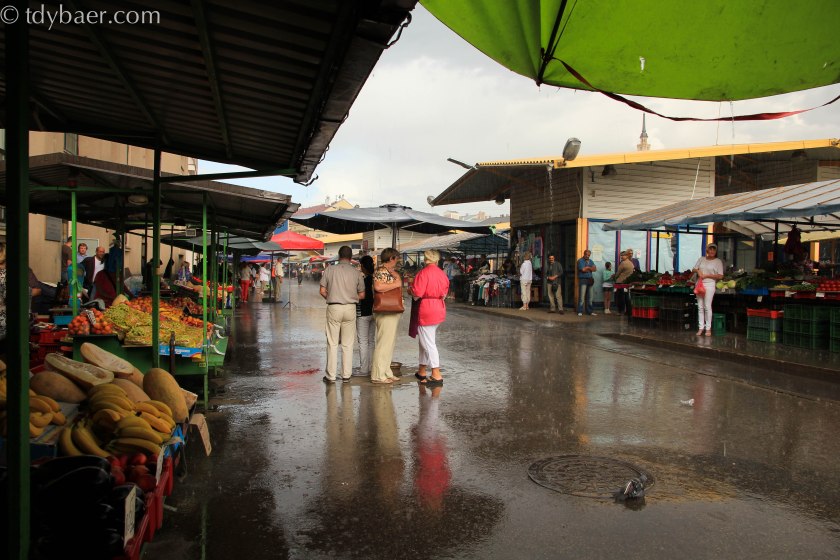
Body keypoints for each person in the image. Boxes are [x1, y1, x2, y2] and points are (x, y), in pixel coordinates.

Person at [320, 246, 365, 383]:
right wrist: (350, 297)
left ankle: (331, 376)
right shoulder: (356, 272)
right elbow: (362, 295)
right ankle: (346, 375)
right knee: (348, 343)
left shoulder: (329, 270)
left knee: (332, 343)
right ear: (351, 257)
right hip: (350, 308)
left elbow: (322, 291)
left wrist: (331, 296)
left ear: (339, 256)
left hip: (334, 307)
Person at [411, 249, 449, 386]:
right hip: (439, 306)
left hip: (426, 308)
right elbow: (445, 293)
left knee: (428, 343)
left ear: (425, 259)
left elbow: (417, 293)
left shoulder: (423, 273)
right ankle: (422, 370)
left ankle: (436, 373)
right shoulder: (442, 274)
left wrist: (410, 290)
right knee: (425, 340)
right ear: (437, 260)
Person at [370, 247, 403, 384]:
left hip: (392, 310)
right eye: (396, 258)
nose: (397, 261)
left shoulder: (390, 271)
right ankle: (378, 375)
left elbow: (399, 283)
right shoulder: (380, 271)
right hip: (385, 310)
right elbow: (378, 287)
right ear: (391, 258)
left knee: (389, 343)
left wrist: (396, 279)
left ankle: (386, 372)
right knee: (384, 343)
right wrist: (396, 283)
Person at [692, 243, 724, 336]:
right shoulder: (701, 259)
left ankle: (708, 328)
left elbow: (720, 276)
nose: (712, 251)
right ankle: (701, 327)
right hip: (699, 284)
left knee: (707, 306)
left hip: (710, 285)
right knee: (700, 307)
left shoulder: (718, 262)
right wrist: (698, 271)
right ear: (707, 250)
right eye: (710, 249)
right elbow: (693, 269)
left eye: (714, 250)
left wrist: (707, 275)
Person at [356, 255, 376, 376]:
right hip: (375, 312)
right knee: (371, 341)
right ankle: (372, 367)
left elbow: (359, 297)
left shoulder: (362, 280)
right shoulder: (376, 279)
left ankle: (364, 369)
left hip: (362, 313)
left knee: (363, 341)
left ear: (363, 266)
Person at [576, 249, 597, 316]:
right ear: (584, 254)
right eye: (586, 255)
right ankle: (580, 311)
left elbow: (595, 269)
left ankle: (590, 311)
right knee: (582, 297)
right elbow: (583, 270)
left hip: (590, 280)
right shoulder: (580, 261)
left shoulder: (591, 261)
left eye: (589, 255)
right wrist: (589, 267)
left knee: (590, 297)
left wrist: (587, 268)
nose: (587, 256)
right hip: (583, 279)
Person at [614, 251, 635, 315]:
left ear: (626, 256)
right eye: (621, 256)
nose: (621, 257)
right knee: (626, 297)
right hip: (627, 283)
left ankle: (620, 311)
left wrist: (615, 277)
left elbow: (618, 273)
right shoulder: (631, 263)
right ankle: (628, 311)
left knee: (620, 298)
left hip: (620, 282)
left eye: (623, 255)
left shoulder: (623, 263)